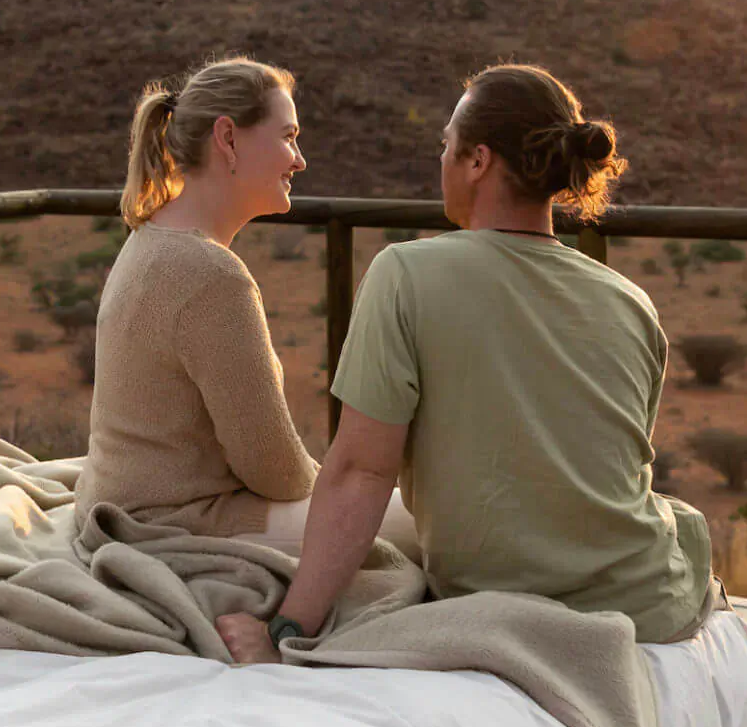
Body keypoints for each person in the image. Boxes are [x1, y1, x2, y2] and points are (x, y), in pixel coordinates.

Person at [218, 64, 714, 662]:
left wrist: (288, 628)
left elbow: (359, 473)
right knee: (673, 514)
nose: (443, 158)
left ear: (478, 160)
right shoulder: (630, 301)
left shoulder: (405, 274)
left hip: (502, 597)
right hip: (651, 603)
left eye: (446, 144)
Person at [72, 56, 322, 537]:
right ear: (228, 139)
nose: (300, 159)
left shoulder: (152, 238)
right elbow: (276, 471)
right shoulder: (209, 274)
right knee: (427, 522)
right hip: (176, 523)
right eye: (288, 136)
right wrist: (335, 482)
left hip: (120, 506)